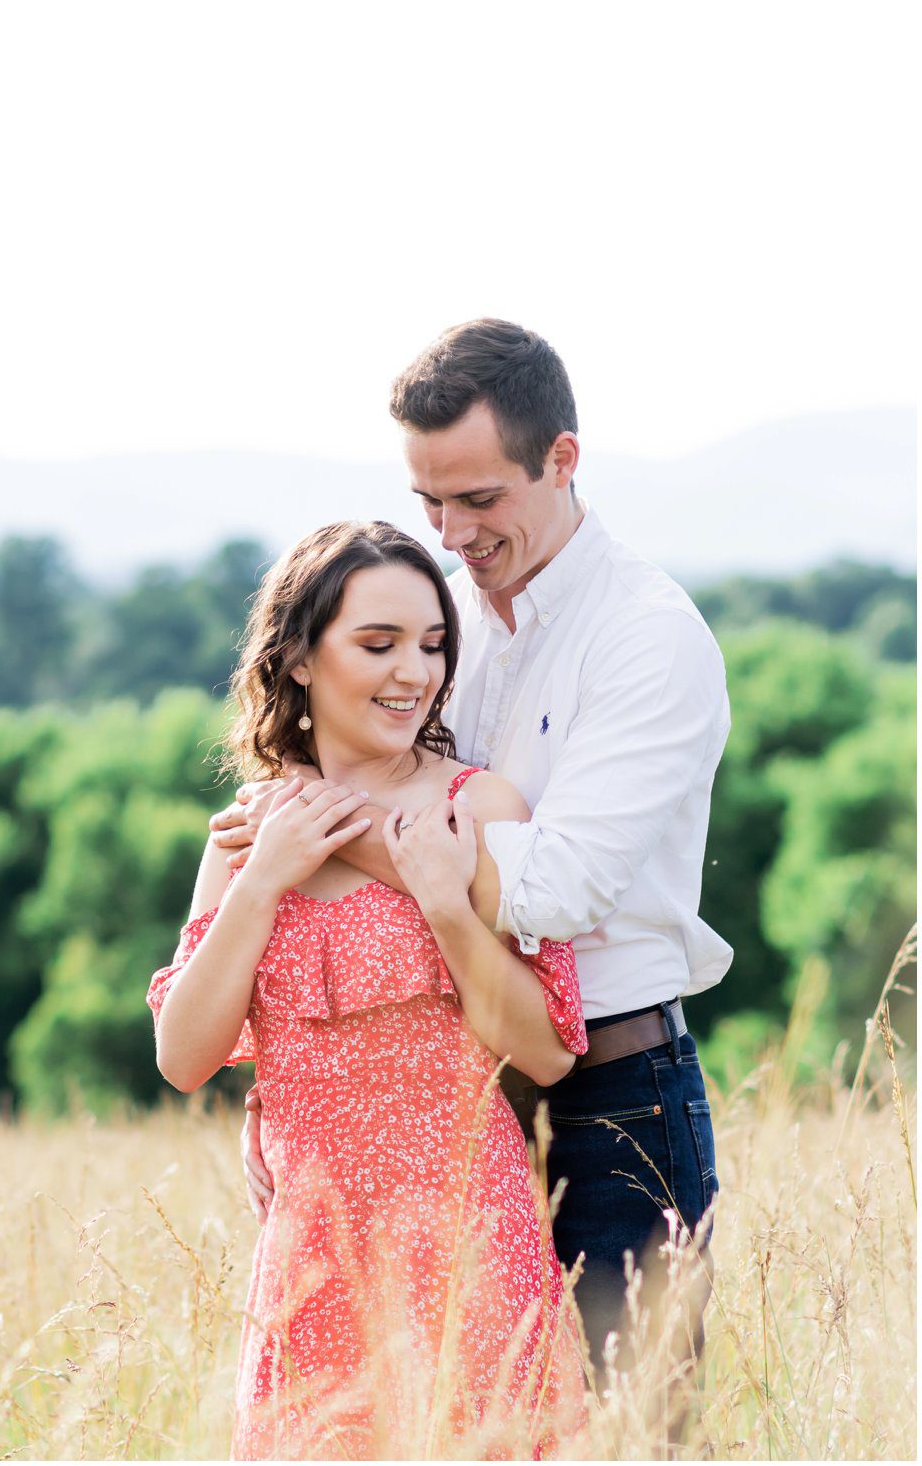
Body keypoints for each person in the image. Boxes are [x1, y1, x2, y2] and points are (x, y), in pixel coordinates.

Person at [212, 320, 729, 1417]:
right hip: (452, 1109)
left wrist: (307, 826)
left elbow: (551, 891)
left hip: (616, 1100)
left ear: (561, 460)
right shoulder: (446, 625)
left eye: (478, 500)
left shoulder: (645, 636)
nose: (450, 534)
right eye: (428, 501)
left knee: (624, 1430)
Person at [151, 519, 588, 1458]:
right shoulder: (247, 832)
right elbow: (184, 1057)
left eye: (432, 645)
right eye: (378, 643)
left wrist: (443, 902)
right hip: (312, 1273)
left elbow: (545, 1048)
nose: (414, 673)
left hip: (473, 1249)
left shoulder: (477, 806)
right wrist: (264, 877)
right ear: (300, 657)